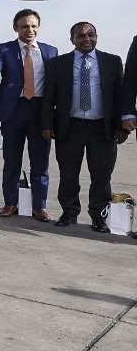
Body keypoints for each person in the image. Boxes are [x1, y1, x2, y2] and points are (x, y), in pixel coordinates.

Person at [0, 9, 58, 220]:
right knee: (11, 162)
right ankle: (10, 203)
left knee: (40, 163)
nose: (30, 30)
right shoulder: (4, 50)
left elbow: (58, 83)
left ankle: (39, 206)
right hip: (13, 112)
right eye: (25, 26)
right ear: (15, 27)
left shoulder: (50, 52)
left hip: (39, 113)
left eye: (34, 26)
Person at [41, 22, 128, 232]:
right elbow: (48, 97)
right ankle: (69, 213)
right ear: (72, 39)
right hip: (70, 127)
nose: (87, 39)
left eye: (91, 35)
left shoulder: (112, 61)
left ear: (97, 37)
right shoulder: (58, 64)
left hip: (102, 128)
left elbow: (120, 96)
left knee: (101, 175)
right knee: (69, 173)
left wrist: (121, 126)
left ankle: (98, 216)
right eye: (81, 36)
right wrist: (46, 124)